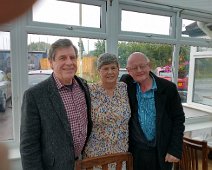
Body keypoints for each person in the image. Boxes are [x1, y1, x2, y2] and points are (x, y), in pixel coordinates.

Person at [20, 39, 92, 170]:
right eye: (62, 58)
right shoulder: (35, 95)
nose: (69, 62)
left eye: (72, 57)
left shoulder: (83, 86)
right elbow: (29, 146)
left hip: (82, 163)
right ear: (51, 63)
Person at [120, 52, 185, 170]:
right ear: (129, 71)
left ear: (149, 65)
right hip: (136, 152)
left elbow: (178, 119)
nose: (139, 70)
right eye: (134, 68)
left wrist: (175, 149)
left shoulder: (168, 88)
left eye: (142, 66)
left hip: (161, 150)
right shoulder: (126, 85)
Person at [83, 53, 131, 160]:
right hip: (95, 157)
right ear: (98, 71)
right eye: (105, 68)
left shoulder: (125, 88)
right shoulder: (89, 91)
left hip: (121, 155)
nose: (110, 72)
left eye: (113, 68)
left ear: (118, 69)